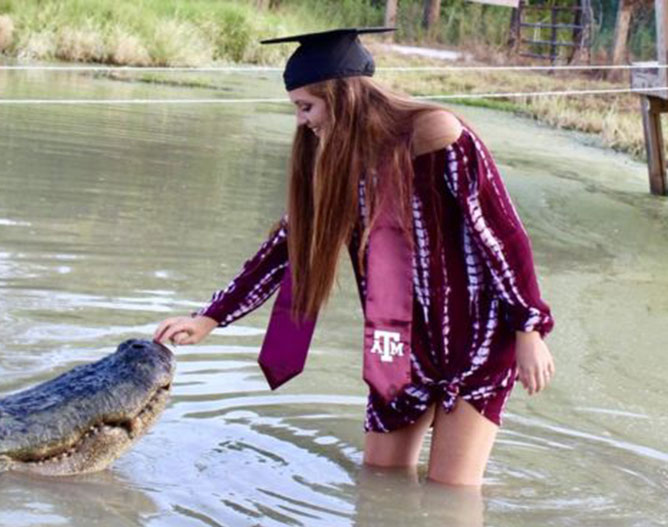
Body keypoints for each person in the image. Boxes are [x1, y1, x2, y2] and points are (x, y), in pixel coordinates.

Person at [154, 28, 555, 487]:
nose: (302, 121)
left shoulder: (438, 135)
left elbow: (502, 235)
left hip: (476, 342)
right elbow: (287, 246)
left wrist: (529, 328)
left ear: (340, 96)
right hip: (399, 346)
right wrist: (209, 317)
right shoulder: (337, 164)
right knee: (378, 482)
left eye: (307, 106)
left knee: (451, 495)